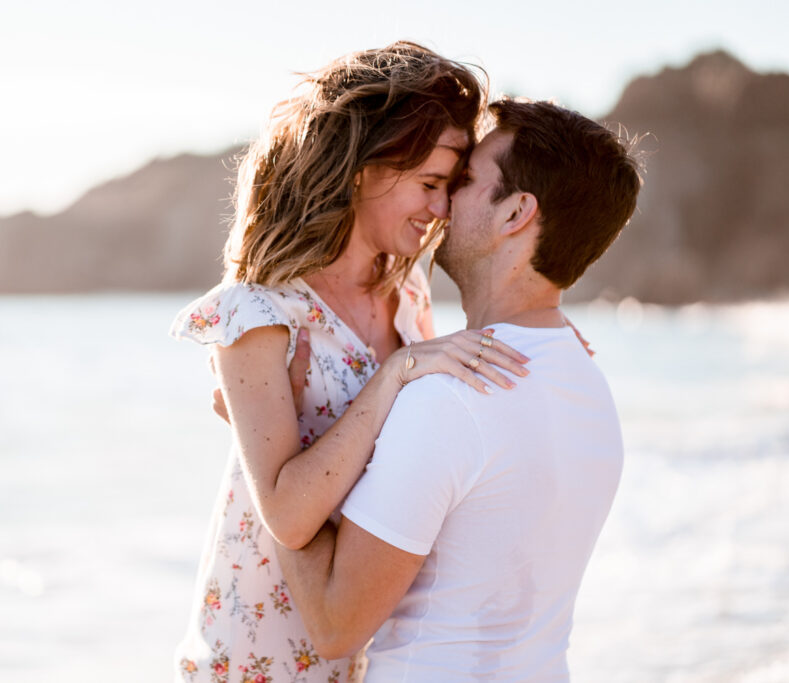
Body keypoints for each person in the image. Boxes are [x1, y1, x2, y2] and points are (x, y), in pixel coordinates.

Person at [169, 43, 532, 683]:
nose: (442, 210)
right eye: (428, 184)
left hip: (364, 650)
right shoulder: (256, 312)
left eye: (449, 188)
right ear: (362, 169)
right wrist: (398, 373)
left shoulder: (409, 294)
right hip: (258, 661)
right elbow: (286, 513)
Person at [274, 99, 643, 682]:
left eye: (465, 180)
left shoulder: (451, 397)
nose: (442, 202)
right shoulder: (589, 385)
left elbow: (334, 625)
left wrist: (272, 441)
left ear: (516, 212)